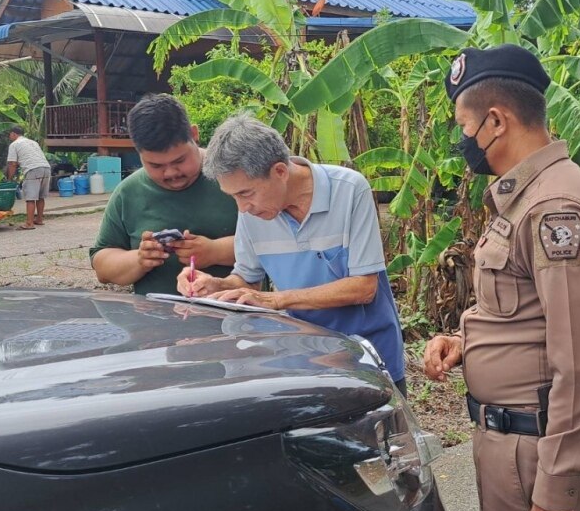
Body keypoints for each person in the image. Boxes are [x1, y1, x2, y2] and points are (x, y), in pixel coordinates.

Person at [421, 45, 580, 511]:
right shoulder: (522, 198)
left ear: (496, 121)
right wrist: (466, 341)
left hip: (536, 450)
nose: (462, 140)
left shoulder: (554, 209)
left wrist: (555, 493)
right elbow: (521, 307)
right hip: (511, 443)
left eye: (464, 126)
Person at [176, 113, 408, 395]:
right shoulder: (254, 213)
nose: (242, 208)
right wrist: (216, 285)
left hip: (366, 357)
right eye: (233, 197)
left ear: (280, 172)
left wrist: (275, 299)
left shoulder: (349, 190)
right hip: (301, 359)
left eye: (246, 193)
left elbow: (364, 287)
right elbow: (248, 282)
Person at [91, 94, 238, 296]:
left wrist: (215, 251)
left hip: (236, 322)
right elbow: (102, 266)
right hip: (154, 324)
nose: (170, 173)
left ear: (194, 135)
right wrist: (140, 259)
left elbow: (273, 242)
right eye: (155, 165)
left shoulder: (236, 177)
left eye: (179, 160)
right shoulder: (128, 193)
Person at [4, 126, 51, 230]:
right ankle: (39, 219)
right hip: (46, 168)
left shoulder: (14, 145)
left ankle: (29, 223)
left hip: (32, 169)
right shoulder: (33, 142)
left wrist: (9, 179)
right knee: (40, 196)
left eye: (10, 134)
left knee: (30, 198)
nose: (9, 136)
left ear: (13, 134)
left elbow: (12, 164)